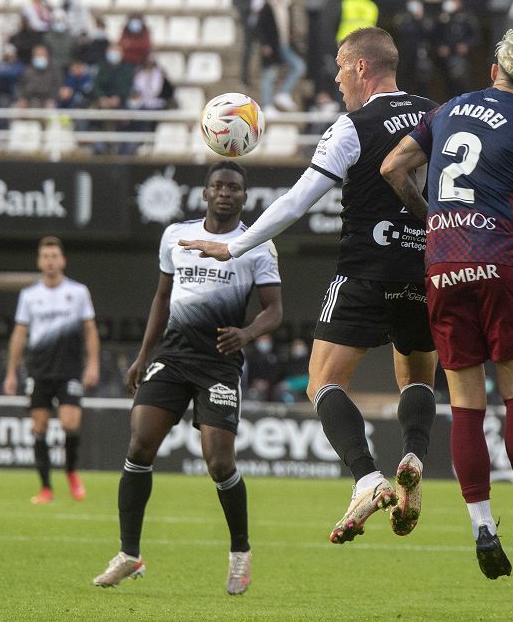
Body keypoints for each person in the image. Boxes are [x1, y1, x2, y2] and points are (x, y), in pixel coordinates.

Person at [180, 28, 439, 545]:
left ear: (363, 68)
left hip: (365, 269)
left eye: (342, 65)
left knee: (323, 381)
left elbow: (298, 202)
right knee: (417, 376)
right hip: (423, 268)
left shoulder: (353, 125)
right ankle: (412, 455)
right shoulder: (439, 115)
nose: (338, 77)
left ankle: (368, 478)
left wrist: (235, 245)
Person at [380, 27, 513, 579]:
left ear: (493, 71)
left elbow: (391, 167)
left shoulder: (448, 109)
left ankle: (482, 525)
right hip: (502, 262)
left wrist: (434, 214)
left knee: (464, 403)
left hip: (444, 264)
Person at [93, 161, 282, 595]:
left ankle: (240, 553)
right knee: (140, 445)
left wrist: (247, 333)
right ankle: (128, 554)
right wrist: (143, 357)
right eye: (217, 185)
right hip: (173, 357)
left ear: (244, 195)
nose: (224, 192)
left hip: (219, 362)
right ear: (204, 193)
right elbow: (162, 297)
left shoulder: (255, 245)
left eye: (233, 187)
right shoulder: (175, 236)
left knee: (219, 462)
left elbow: (275, 311)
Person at [4, 236, 100, 504]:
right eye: (45, 256)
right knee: (39, 426)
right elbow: (19, 334)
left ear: (63, 260)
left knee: (70, 423)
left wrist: (92, 364)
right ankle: (46, 488)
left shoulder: (78, 292)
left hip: (69, 369)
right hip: (38, 370)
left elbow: (90, 330)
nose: (50, 261)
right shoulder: (29, 295)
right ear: (39, 261)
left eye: (54, 256)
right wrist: (12, 372)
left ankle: (70, 472)